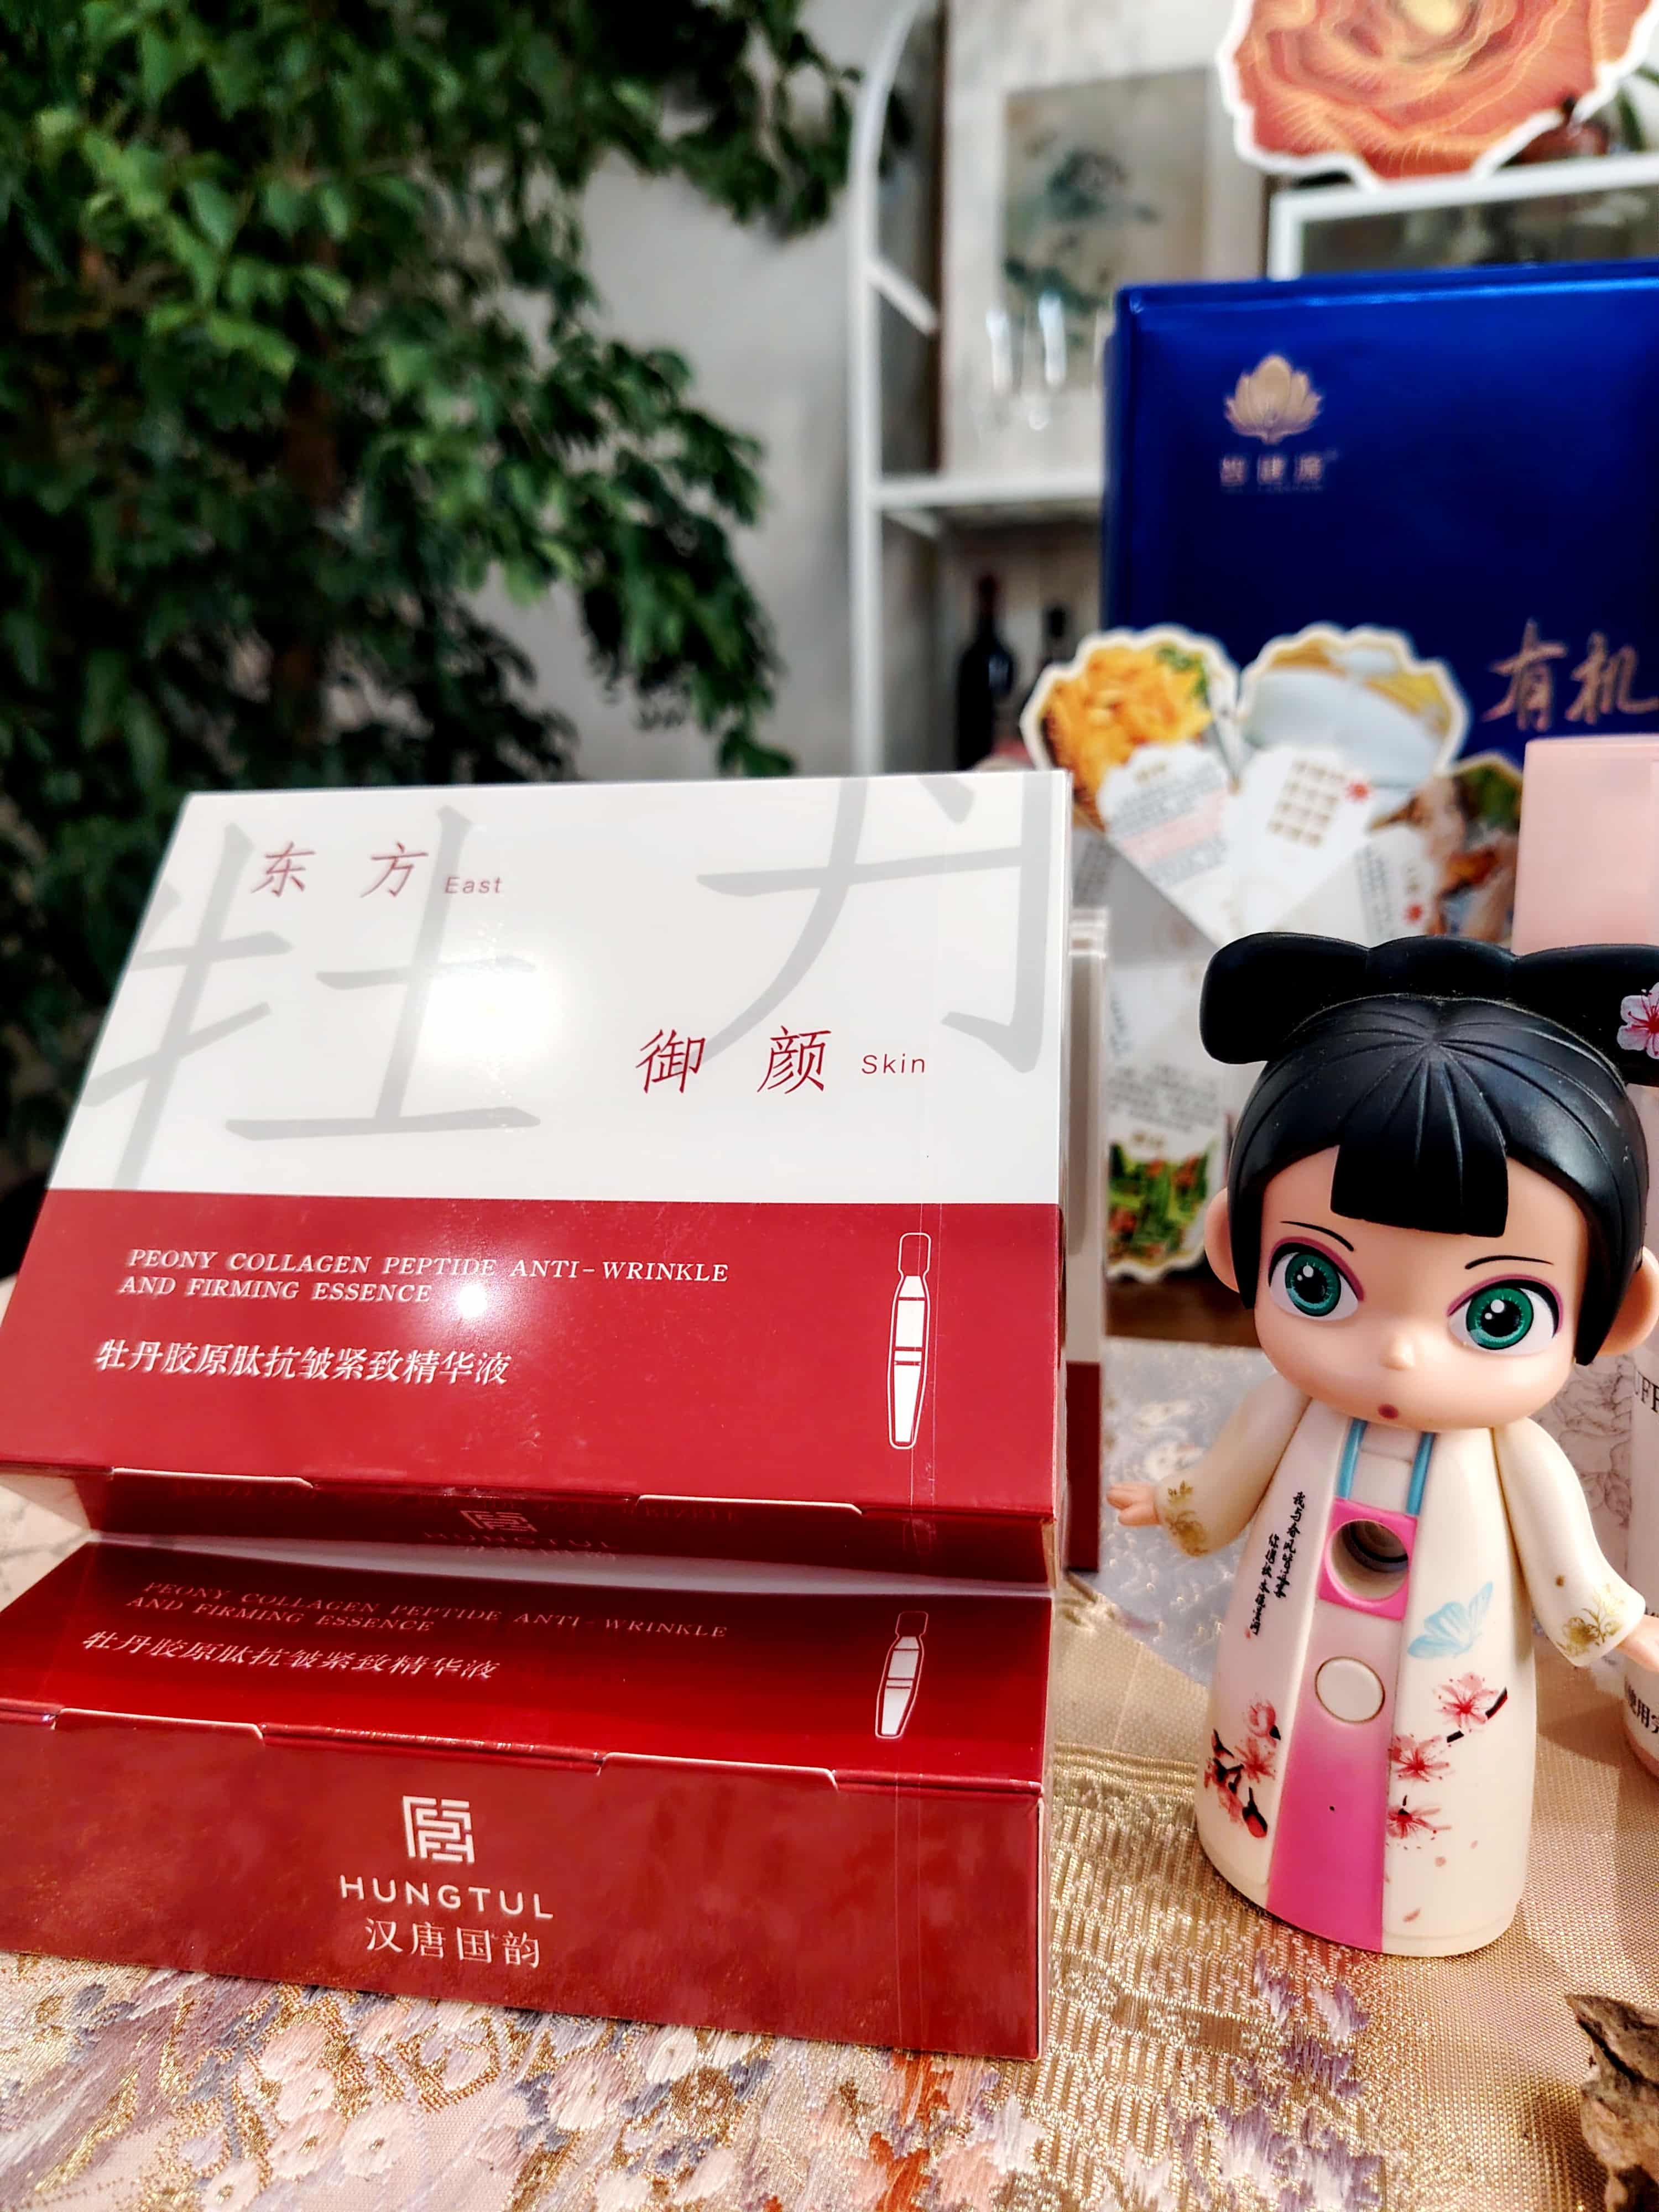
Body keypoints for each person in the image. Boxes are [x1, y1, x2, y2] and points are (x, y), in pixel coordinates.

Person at [1108, 932, 1659, 1955]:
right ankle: (1249, 1839)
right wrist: (1177, 1501)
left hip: (1442, 1722)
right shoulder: (1291, 1415)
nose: (1400, 1352)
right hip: (1281, 1662)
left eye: (1496, 1313)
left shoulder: (1509, 1460)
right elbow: (1230, 1476)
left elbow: (1568, 1566)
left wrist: (1626, 1628)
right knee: (1263, 1753)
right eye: (1318, 1282)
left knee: (1432, 1791)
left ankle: (1433, 1900)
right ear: (1234, 1249)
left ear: (1616, 1314)